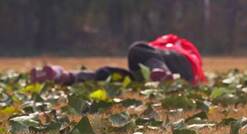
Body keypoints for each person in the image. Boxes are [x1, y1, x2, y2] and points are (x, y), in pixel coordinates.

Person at [30, 34, 206, 85]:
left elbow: (153, 51)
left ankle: (161, 72)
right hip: (180, 76)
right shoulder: (191, 59)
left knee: (137, 49)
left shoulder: (176, 44)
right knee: (109, 76)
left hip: (180, 66)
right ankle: (65, 76)